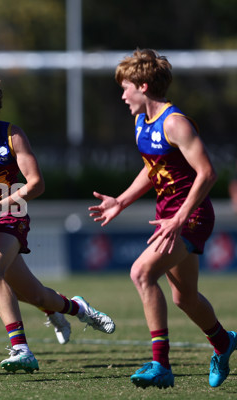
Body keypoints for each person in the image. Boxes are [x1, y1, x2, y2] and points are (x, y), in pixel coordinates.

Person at [0, 71, 115, 373]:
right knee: (34, 295)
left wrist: (0, 203)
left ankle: (21, 349)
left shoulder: (12, 135)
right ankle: (78, 308)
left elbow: (36, 184)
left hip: (10, 216)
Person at [89, 48, 236, 389]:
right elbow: (153, 169)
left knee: (141, 272)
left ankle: (161, 366)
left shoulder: (175, 123)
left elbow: (208, 173)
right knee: (184, 297)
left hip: (192, 215)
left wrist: (180, 219)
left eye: (125, 87)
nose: (123, 95)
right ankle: (224, 343)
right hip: (168, 216)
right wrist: (121, 202)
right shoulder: (142, 121)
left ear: (142, 86)